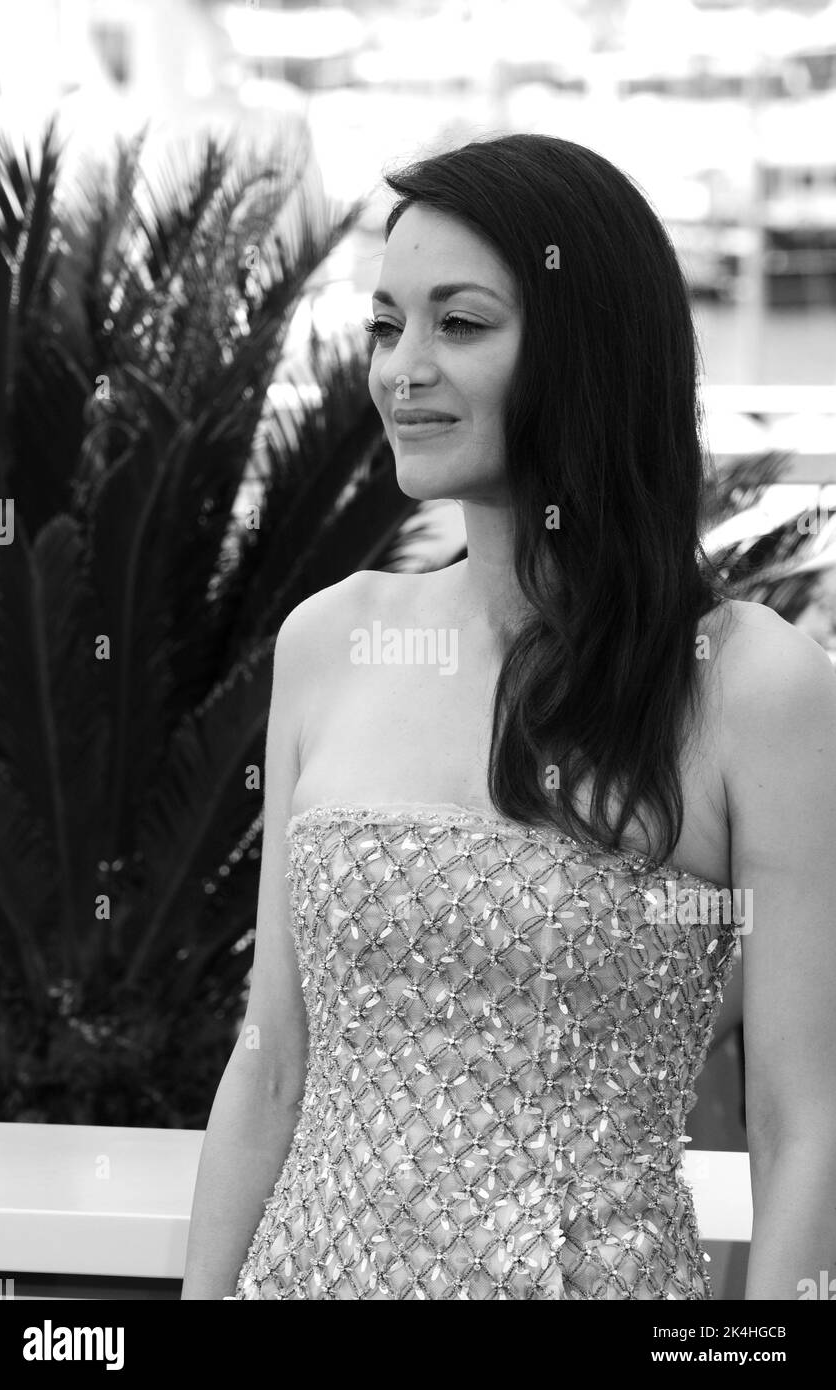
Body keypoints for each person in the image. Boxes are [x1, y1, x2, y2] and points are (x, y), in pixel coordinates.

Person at [181, 133, 836, 1300]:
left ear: (586, 354)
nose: (400, 369)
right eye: (386, 325)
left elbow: (804, 1127)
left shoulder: (753, 685)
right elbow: (270, 1064)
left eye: (460, 323)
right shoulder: (328, 641)